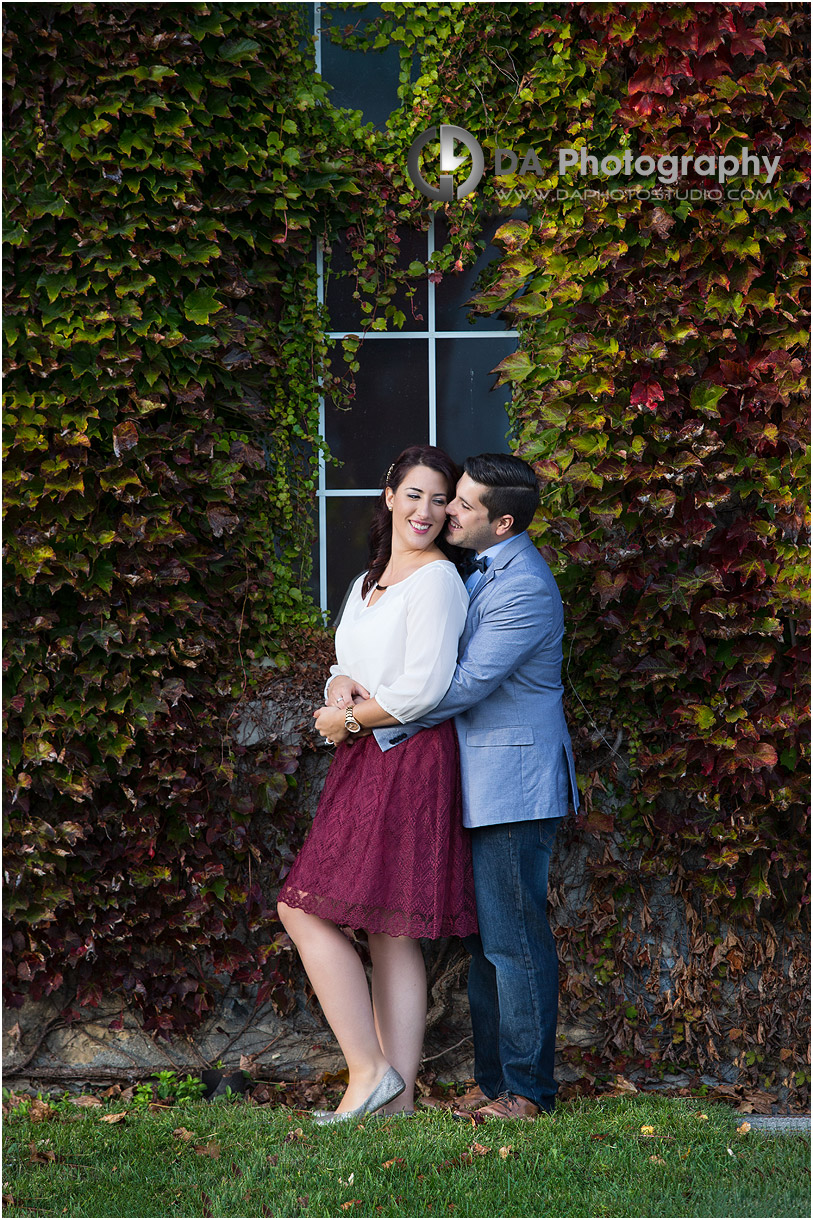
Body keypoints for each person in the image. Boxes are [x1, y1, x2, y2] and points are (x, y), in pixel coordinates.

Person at [328, 453, 579, 1120]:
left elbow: (458, 685)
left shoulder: (523, 586)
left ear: (500, 522)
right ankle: (494, 1083)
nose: (447, 513)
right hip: (473, 781)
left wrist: (366, 717)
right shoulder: (478, 567)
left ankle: (526, 1093)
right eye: (449, 498)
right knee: (482, 944)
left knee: (512, 941)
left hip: (512, 785)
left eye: (462, 505)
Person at [277, 445, 478, 1124]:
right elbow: (347, 659)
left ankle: (368, 1074)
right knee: (389, 928)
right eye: (415, 494)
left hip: (407, 756)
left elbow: (425, 690)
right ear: (389, 495)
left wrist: (346, 723)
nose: (427, 510)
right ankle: (395, 1103)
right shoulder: (368, 584)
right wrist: (337, 686)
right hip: (367, 755)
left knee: (301, 907)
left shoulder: (439, 582)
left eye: (441, 498)